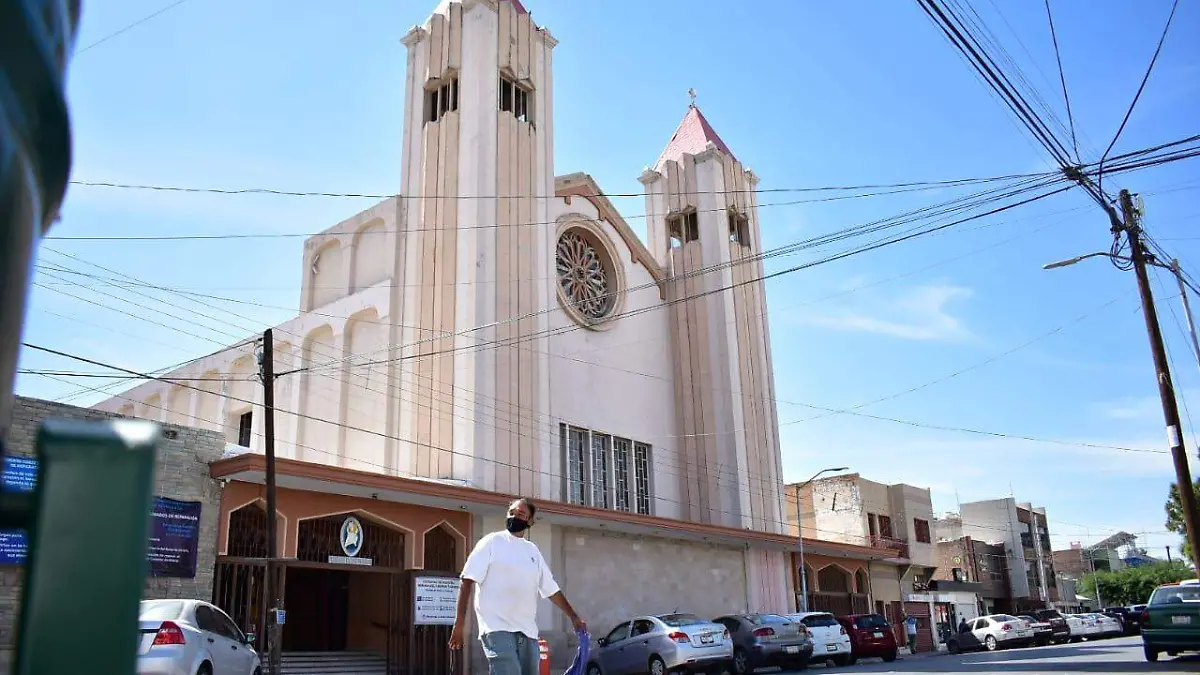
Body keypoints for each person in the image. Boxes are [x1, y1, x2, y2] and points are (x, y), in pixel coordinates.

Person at [449, 497, 587, 675]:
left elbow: (551, 590)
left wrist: (574, 617)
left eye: (520, 514)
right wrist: (459, 624)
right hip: (496, 628)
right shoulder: (491, 542)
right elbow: (467, 579)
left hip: (527, 632)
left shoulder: (532, 551)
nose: (514, 516)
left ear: (529, 521)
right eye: (511, 513)